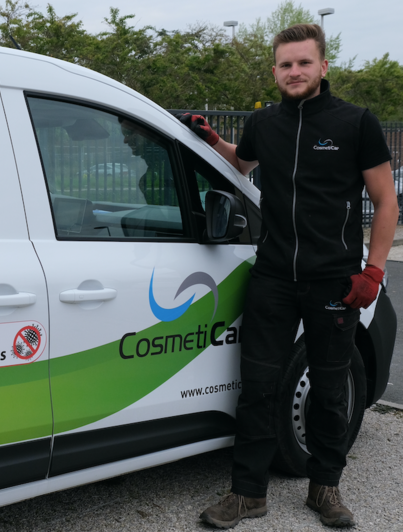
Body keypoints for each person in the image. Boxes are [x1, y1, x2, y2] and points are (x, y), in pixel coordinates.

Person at [178, 23, 397, 529]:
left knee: (327, 388)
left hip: (334, 280)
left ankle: (325, 488)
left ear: (323, 66)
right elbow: (242, 164)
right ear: (274, 70)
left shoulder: (355, 122)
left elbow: (386, 201)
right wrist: (211, 138)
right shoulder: (265, 123)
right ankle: (248, 494)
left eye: (303, 62)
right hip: (273, 277)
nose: (293, 71)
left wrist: (373, 271)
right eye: (285, 64)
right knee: (257, 386)